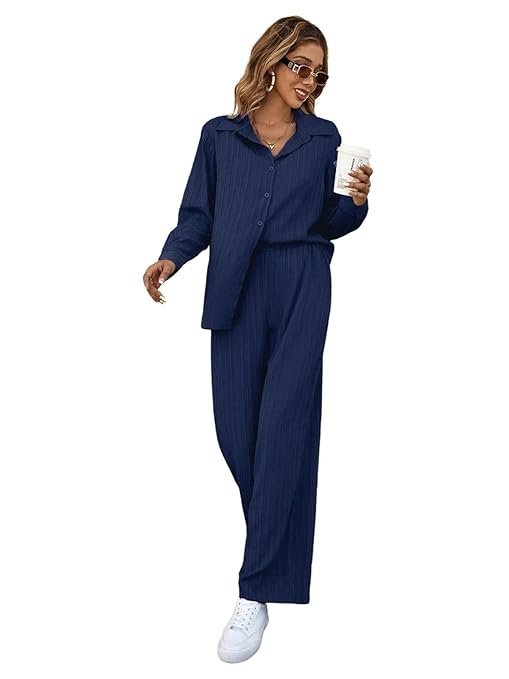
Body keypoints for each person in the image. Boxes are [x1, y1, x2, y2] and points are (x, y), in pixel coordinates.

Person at [143, 15, 373, 663]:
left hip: (301, 282)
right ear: (270, 62)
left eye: (319, 73)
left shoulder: (324, 137)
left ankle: (255, 589)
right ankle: (278, 555)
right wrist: (171, 257)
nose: (310, 81)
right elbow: (199, 213)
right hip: (235, 289)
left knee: (283, 431)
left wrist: (355, 204)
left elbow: (329, 219)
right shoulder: (219, 136)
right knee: (237, 433)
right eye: (301, 66)